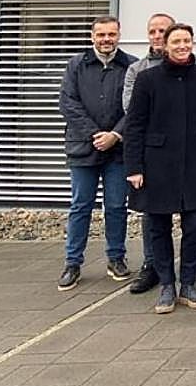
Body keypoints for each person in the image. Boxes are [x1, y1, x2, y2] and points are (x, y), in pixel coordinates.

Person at [124, 23, 196, 314]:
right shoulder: (147, 79)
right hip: (157, 164)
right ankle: (167, 284)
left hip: (195, 162)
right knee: (158, 227)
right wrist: (134, 167)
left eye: (187, 41)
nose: (182, 46)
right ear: (165, 45)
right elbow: (135, 125)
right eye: (176, 41)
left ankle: (188, 283)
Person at [57, 16, 137, 292]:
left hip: (118, 150)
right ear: (92, 37)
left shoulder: (130, 65)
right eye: (101, 34)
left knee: (116, 206)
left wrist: (115, 134)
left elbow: (135, 107)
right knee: (81, 206)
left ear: (119, 35)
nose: (106, 39)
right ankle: (72, 263)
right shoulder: (76, 65)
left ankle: (116, 258)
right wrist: (95, 134)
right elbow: (68, 103)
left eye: (111, 34)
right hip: (83, 148)